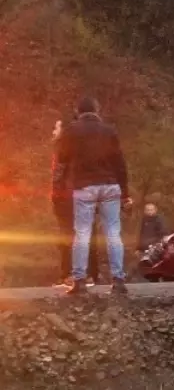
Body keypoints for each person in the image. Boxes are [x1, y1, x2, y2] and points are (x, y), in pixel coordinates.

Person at [55, 97, 130, 296]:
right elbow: (120, 163)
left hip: (84, 186)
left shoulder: (71, 131)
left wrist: (61, 184)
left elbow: (62, 158)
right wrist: (125, 192)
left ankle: (79, 280)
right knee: (113, 232)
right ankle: (119, 279)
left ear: (77, 111)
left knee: (82, 233)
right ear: (97, 110)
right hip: (110, 185)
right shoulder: (110, 131)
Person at [50, 118, 99, 288]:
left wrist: (56, 195)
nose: (53, 132)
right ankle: (87, 274)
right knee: (85, 233)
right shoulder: (81, 148)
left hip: (68, 197)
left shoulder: (64, 148)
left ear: (64, 130)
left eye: (56, 128)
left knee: (69, 235)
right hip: (81, 195)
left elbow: (59, 175)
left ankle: (72, 275)